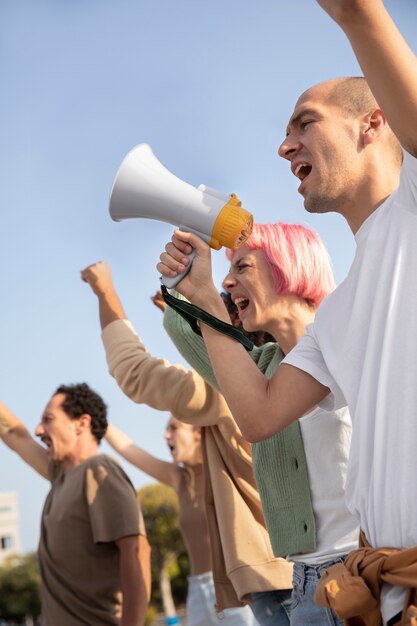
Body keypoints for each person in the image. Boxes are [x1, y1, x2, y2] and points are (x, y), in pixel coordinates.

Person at [157, 1, 417, 624]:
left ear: (373, 123)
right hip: (382, 592)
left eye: (305, 122)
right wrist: (201, 298)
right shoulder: (338, 313)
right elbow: (260, 414)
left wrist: (355, 15)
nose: (284, 146)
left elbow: (359, 12)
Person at [160, 222, 359, 626]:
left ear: (289, 267)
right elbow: (188, 330)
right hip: (305, 583)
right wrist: (180, 281)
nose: (228, 282)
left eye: (243, 267)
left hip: (358, 573)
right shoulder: (265, 369)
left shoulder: (343, 338)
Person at [81, 261, 293, 626]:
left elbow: (135, 372)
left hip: (277, 583)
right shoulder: (287, 374)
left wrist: (105, 292)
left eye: (205, 330)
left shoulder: (228, 391)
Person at [0, 383, 150, 626]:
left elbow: (136, 551)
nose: (39, 430)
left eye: (48, 420)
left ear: (81, 423)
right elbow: (18, 436)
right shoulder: (61, 476)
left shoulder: (99, 471)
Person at [106, 418, 258, 626]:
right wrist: (97, 419)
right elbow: (128, 450)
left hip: (234, 587)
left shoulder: (224, 467)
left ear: (197, 432)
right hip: (197, 590)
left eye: (174, 428)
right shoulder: (179, 478)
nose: (166, 435)